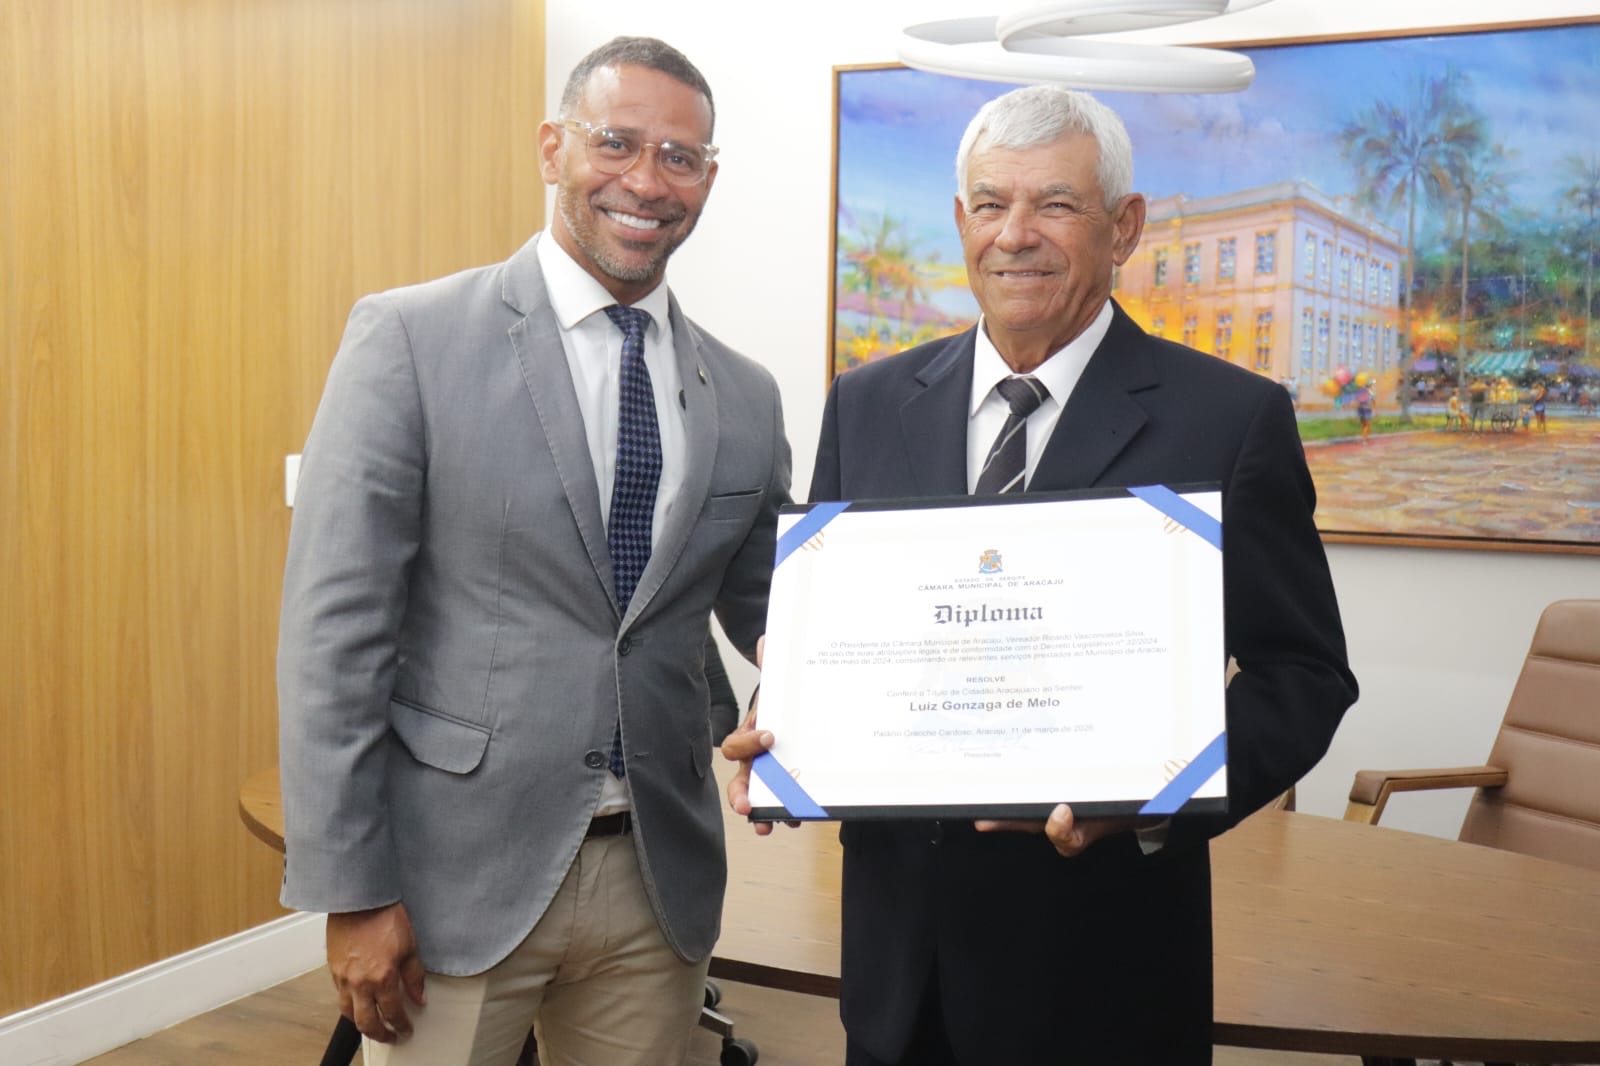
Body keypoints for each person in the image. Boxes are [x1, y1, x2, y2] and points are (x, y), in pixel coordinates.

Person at [725, 85, 1356, 1065]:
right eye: (990, 203)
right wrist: (787, 721)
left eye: (1055, 204)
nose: (1015, 234)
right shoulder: (866, 404)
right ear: (959, 223)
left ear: (1124, 226)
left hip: (1100, 978)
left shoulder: (1229, 420)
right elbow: (842, 632)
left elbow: (1304, 675)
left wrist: (1149, 798)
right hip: (899, 975)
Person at [277, 36, 791, 1066]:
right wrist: (353, 890)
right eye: (617, 143)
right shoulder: (410, 341)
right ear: (553, 146)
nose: (647, 181)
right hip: (452, 883)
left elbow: (771, 609)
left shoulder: (745, 392)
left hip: (659, 882)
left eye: (680, 157)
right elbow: (334, 637)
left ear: (710, 178)